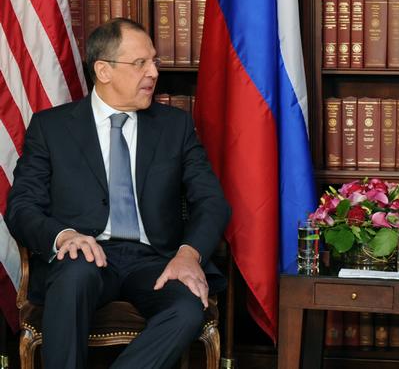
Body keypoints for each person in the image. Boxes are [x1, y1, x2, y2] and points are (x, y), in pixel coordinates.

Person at [6, 18, 231, 369]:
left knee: (188, 307)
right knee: (73, 276)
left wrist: (189, 254)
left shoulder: (176, 127)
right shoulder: (51, 128)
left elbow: (211, 200)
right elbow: (21, 206)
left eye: (154, 61)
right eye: (140, 63)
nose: (154, 72)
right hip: (86, 254)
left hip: (155, 259)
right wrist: (63, 236)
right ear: (103, 70)